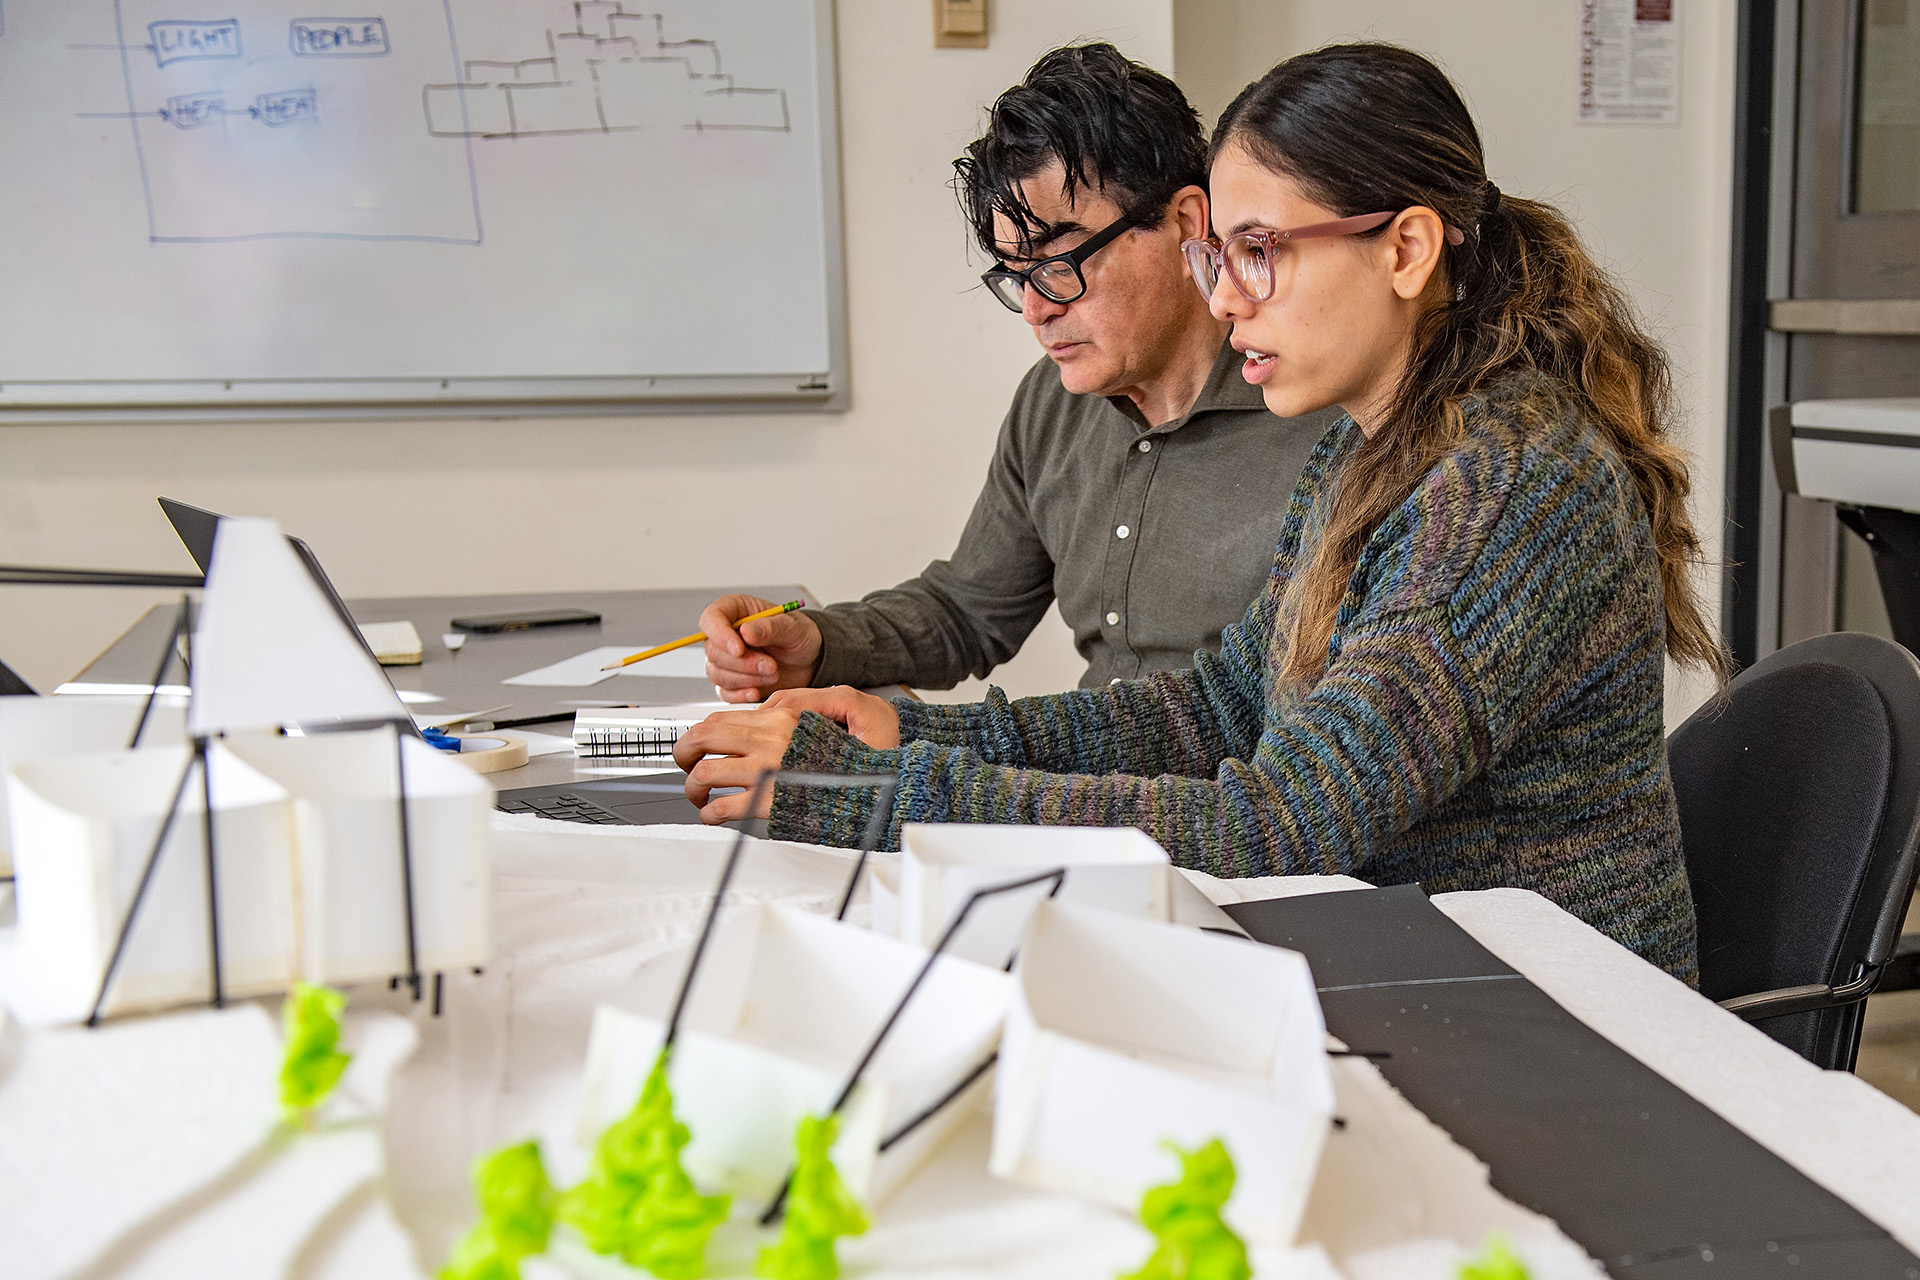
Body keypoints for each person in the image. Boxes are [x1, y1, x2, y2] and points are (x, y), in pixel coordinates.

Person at [675, 43, 1728, 982]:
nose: (1225, 299)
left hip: (1549, 1019)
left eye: (1260, 252)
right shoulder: (1372, 450)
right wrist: (913, 727)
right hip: (1407, 960)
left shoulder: (1510, 486)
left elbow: (1284, 823)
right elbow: (1220, 708)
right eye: (1222, 257)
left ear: (1407, 250)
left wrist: (884, 792)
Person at [698, 44, 1336, 701]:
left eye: (1059, 263)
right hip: (1076, 785)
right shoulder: (1053, 403)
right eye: (1016, 274)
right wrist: (821, 643)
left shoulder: (1323, 414)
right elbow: (968, 609)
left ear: (1185, 224)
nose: (1034, 308)